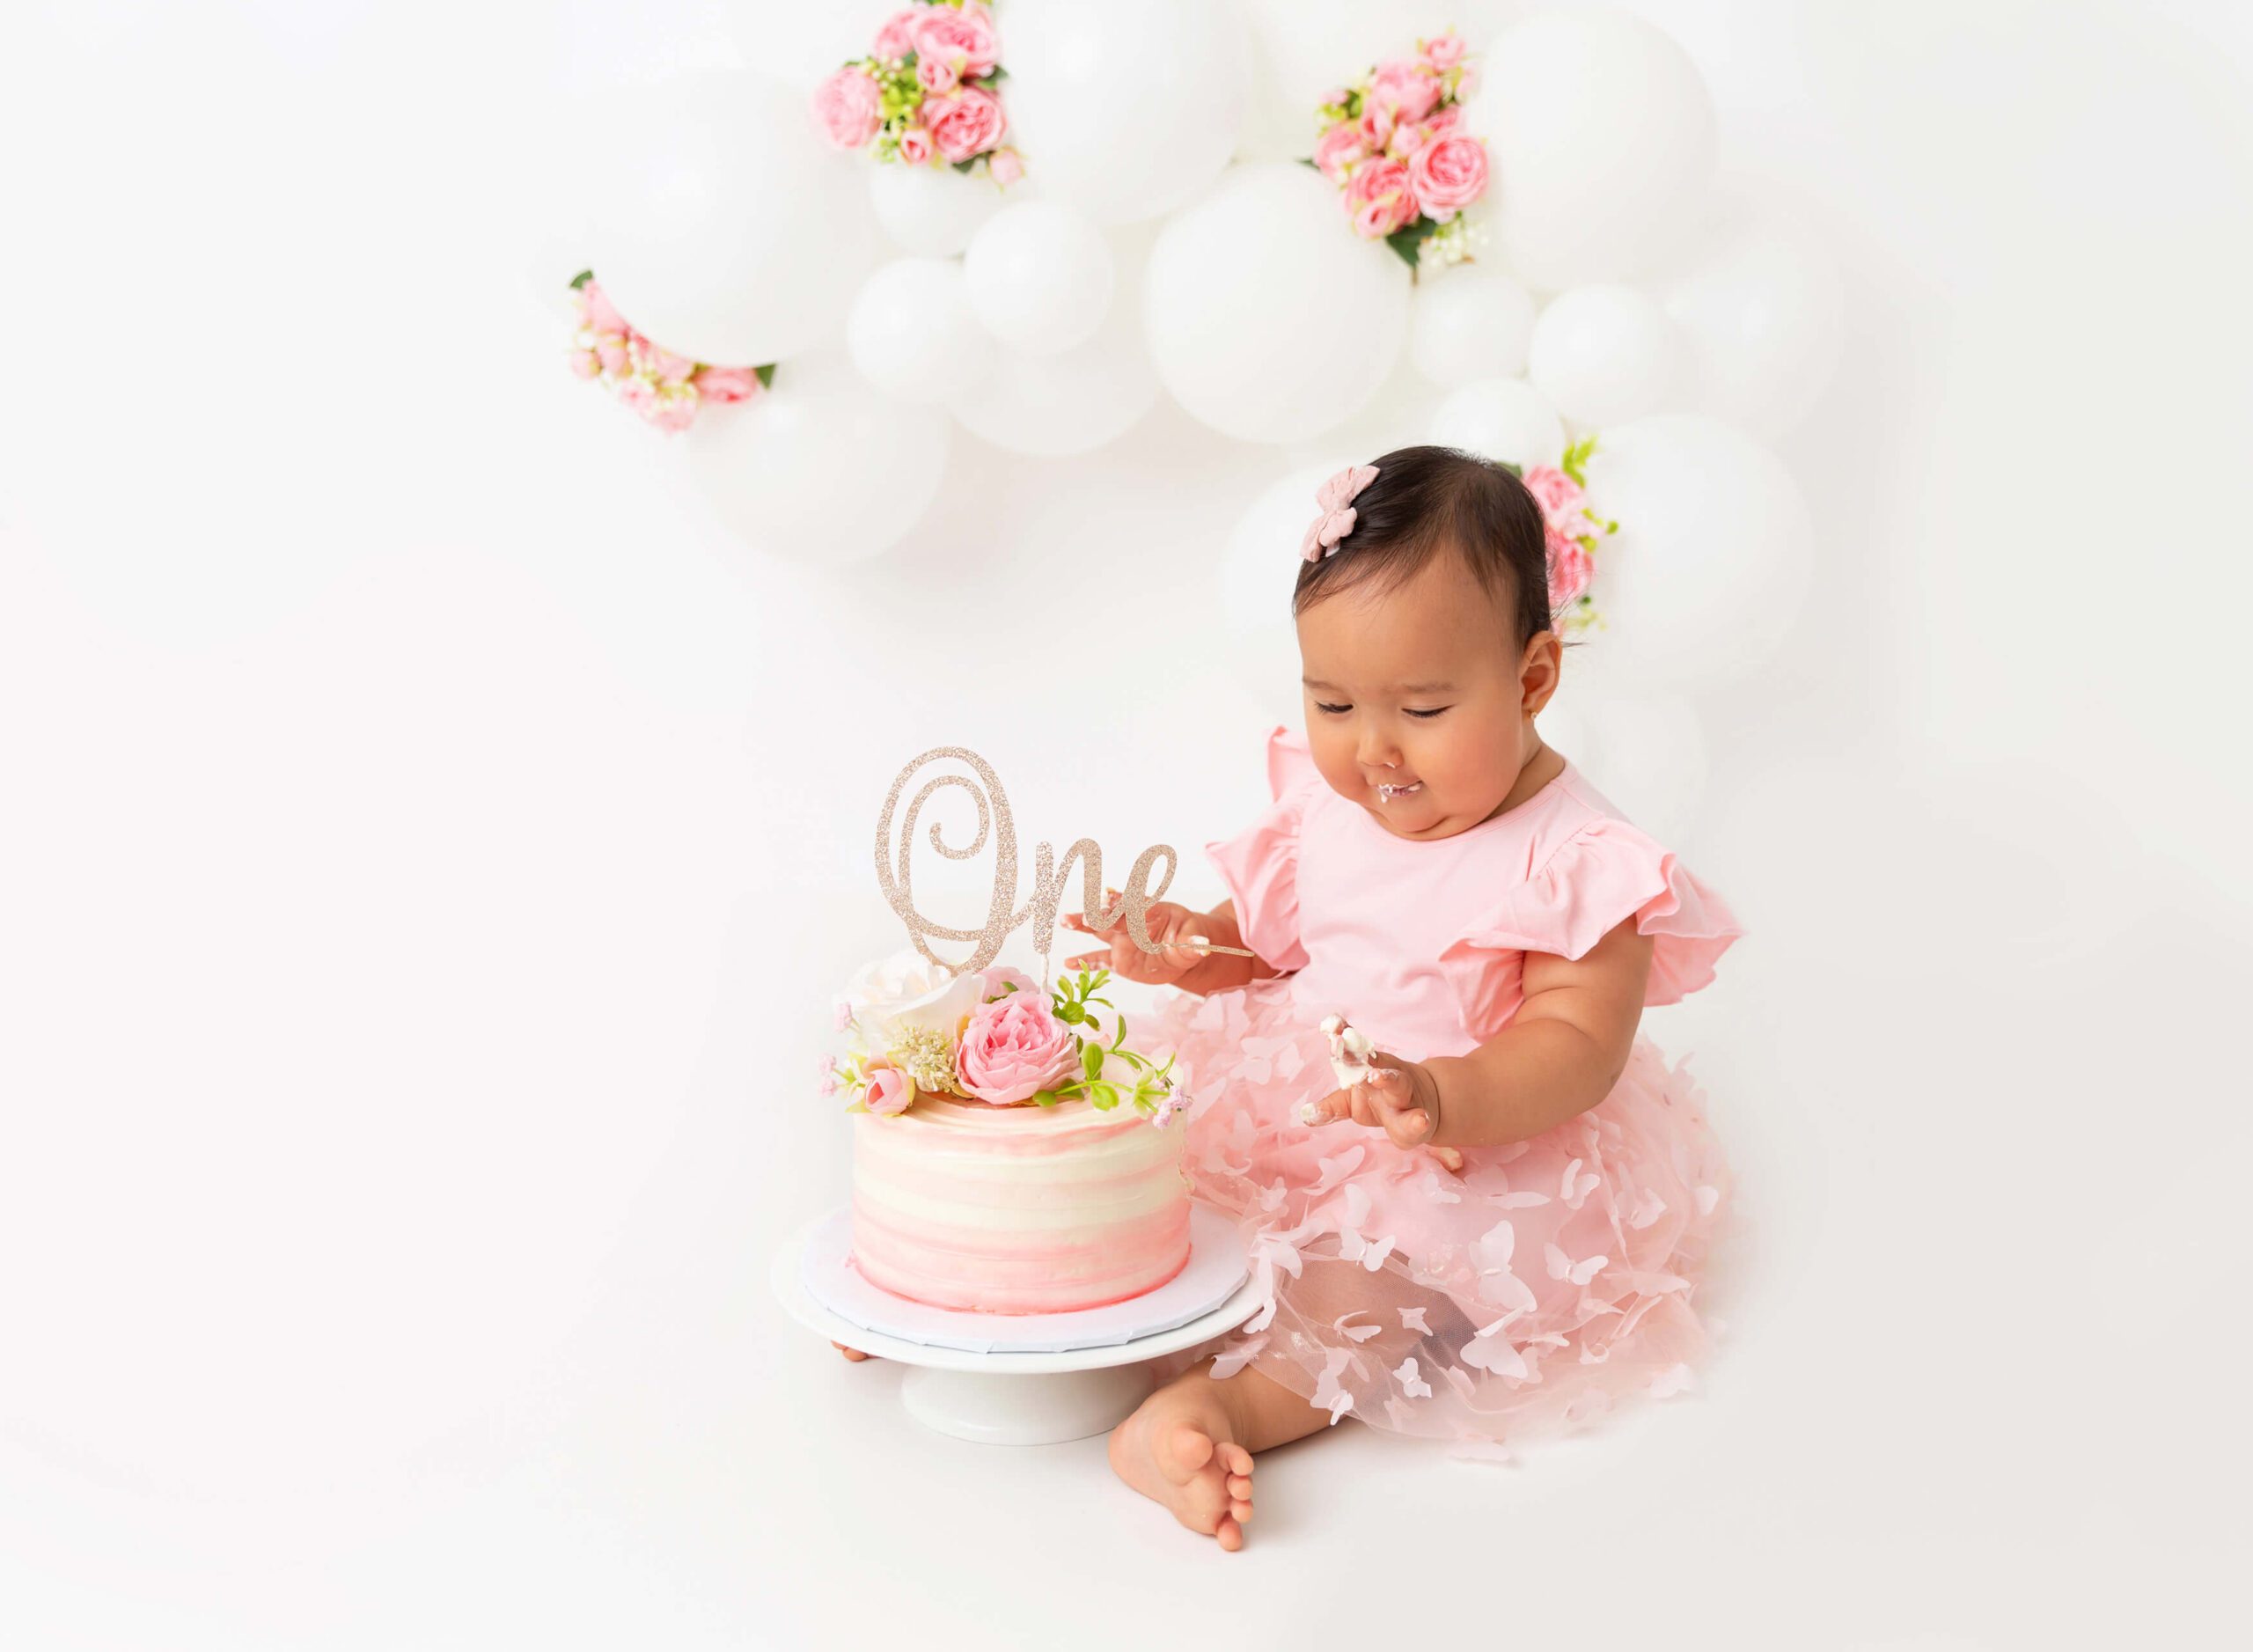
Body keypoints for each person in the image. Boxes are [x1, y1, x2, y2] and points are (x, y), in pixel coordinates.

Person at [1056, 445, 1741, 1551]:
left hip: (1465, 1142)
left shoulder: (1575, 859)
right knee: (1142, 1188)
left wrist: (1444, 1094)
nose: (1373, 751)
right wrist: (1198, 947)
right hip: (1300, 1094)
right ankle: (1023, 1319)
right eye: (1331, 701)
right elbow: (1282, 942)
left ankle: (1224, 1407)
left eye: (1422, 706)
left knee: (1376, 1292)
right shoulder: (1339, 804)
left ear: (1530, 679)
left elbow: (1578, 1041)